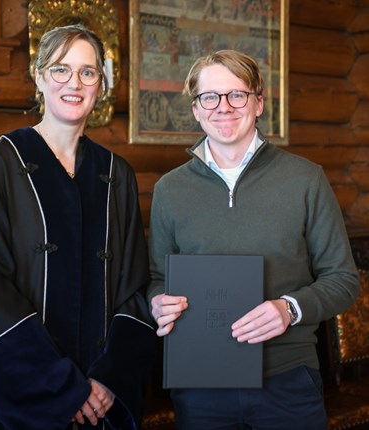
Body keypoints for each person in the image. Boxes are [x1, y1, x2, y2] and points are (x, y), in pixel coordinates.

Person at [0, 24, 156, 430]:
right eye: (61, 69)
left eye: (88, 71)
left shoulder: (117, 174)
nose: (74, 83)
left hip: (101, 399)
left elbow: (134, 289)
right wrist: (64, 389)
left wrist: (107, 380)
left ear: (101, 83)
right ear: (40, 76)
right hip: (18, 393)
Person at [148, 49, 360, 430]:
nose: (223, 107)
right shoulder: (169, 190)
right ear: (196, 109)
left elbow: (343, 280)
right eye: (209, 97)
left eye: (237, 94)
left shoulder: (305, 179)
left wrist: (290, 308)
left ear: (259, 102)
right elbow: (157, 279)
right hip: (200, 383)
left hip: (288, 381)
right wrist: (157, 303)